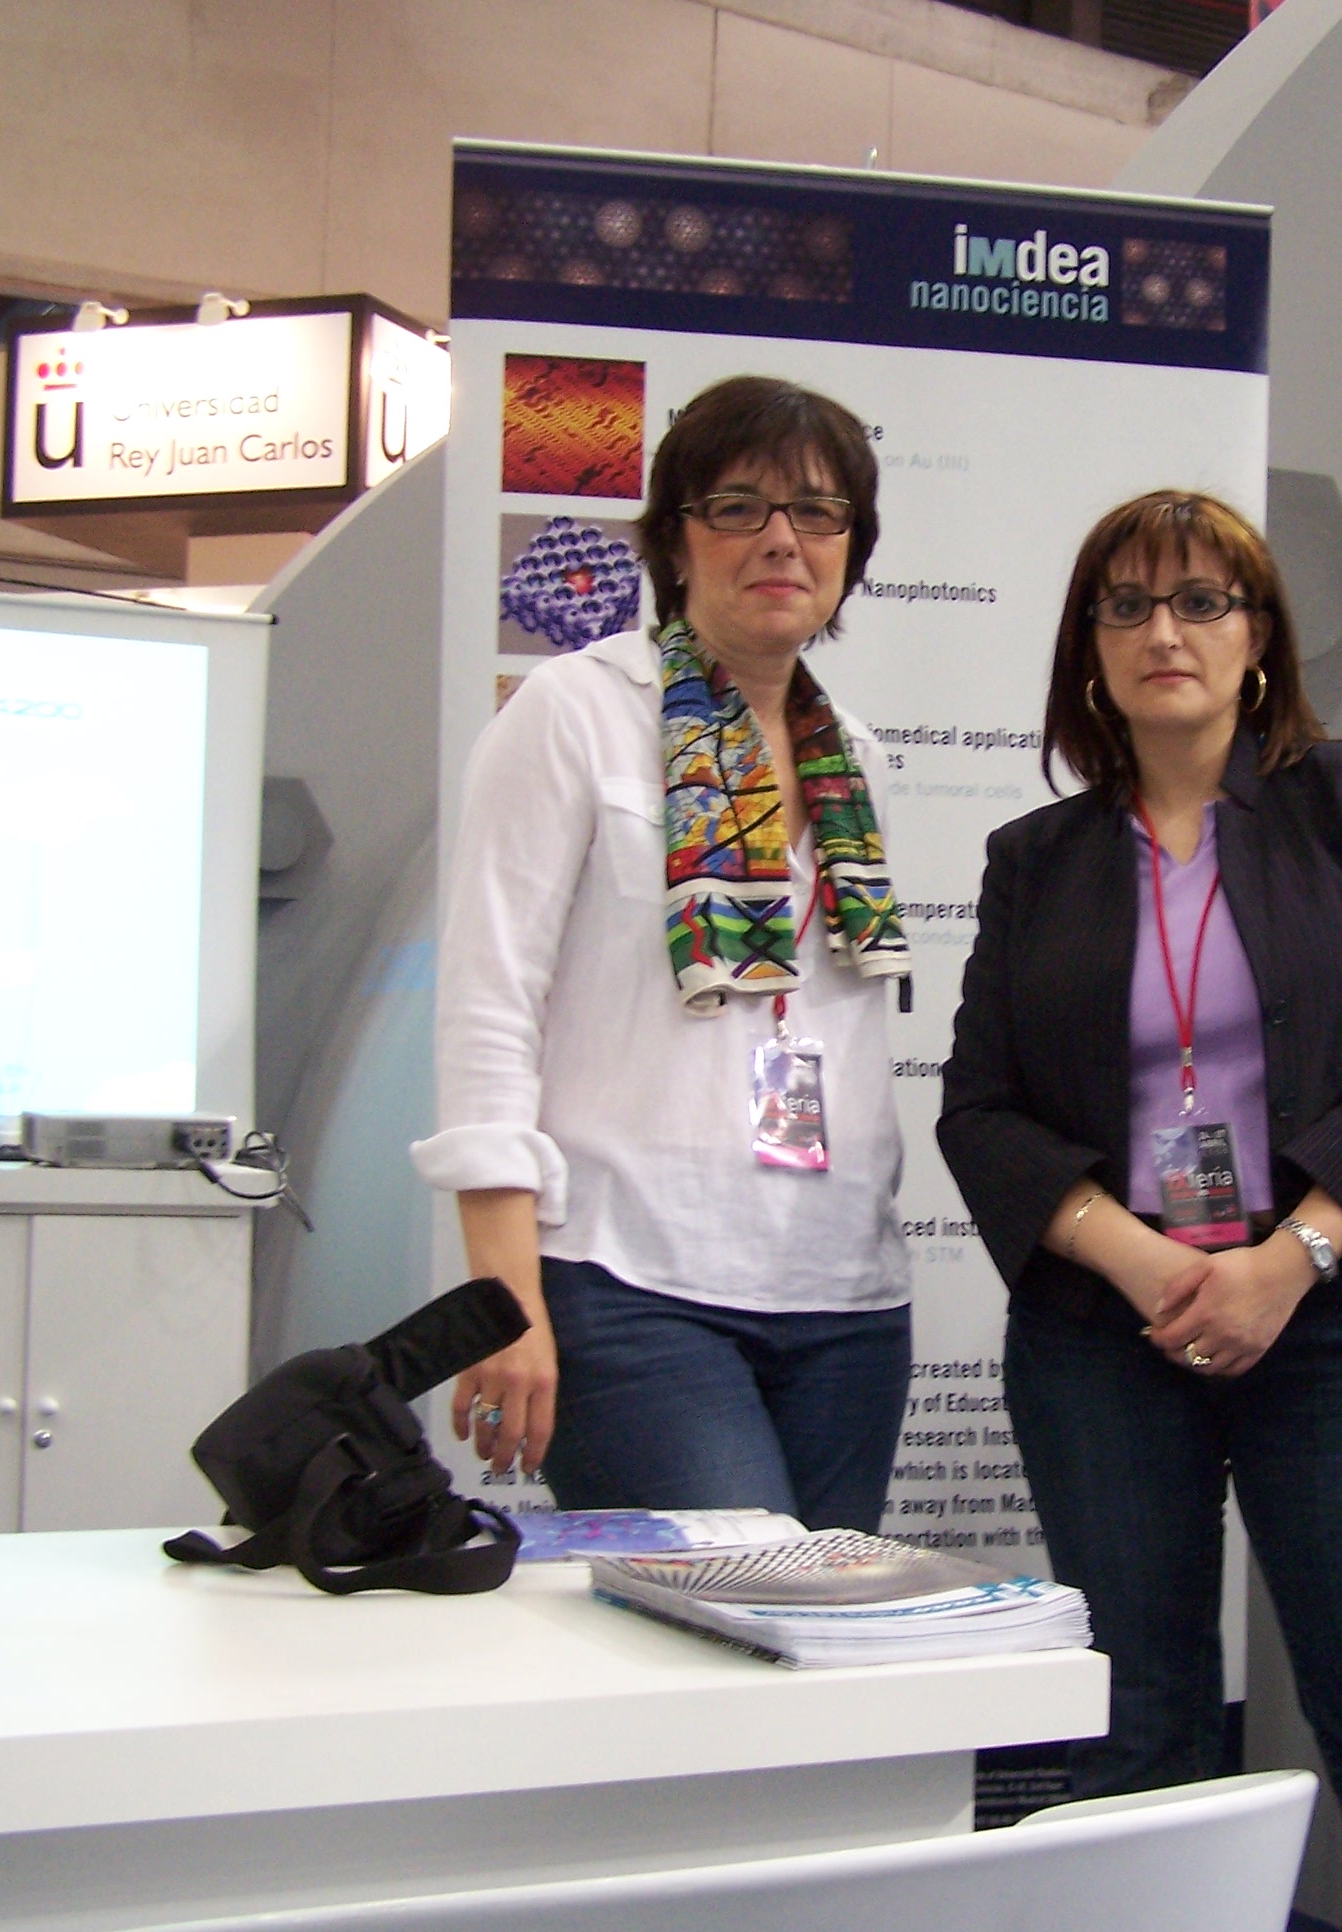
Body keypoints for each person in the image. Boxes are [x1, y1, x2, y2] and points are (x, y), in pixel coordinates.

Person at [936, 491, 1342, 1932]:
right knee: (1141, 1747)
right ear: (1090, 649)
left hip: (1332, 1330)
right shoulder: (1038, 860)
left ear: (1260, 639)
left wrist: (1293, 1257)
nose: (1166, 632)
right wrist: (1139, 1260)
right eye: (1128, 605)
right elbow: (981, 1110)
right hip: (1100, 1341)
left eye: (1204, 601)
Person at [412, 374, 915, 1531]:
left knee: (822, 1669)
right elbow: (492, 1007)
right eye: (738, 506)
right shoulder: (574, 712)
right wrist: (506, 1300)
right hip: (628, 1281)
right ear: (674, 540)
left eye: (819, 512)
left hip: (844, 1296)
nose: (781, 539)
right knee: (732, 1633)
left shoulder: (858, 762)